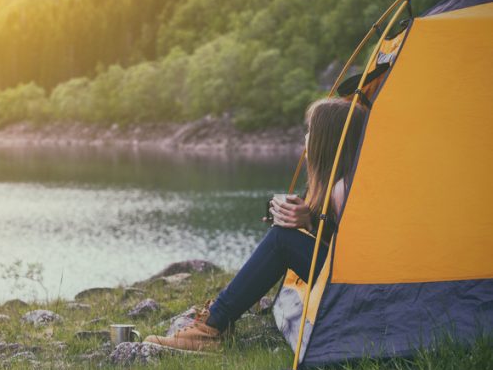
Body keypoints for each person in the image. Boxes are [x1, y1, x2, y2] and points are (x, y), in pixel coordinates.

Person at [144, 97, 368, 351]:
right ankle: (215, 322)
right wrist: (308, 220)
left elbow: (351, 261)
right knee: (283, 236)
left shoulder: (344, 189)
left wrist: (309, 223)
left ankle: (211, 328)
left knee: (281, 241)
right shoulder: (340, 182)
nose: (306, 137)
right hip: (356, 288)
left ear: (327, 140)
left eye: (311, 131)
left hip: (358, 296)